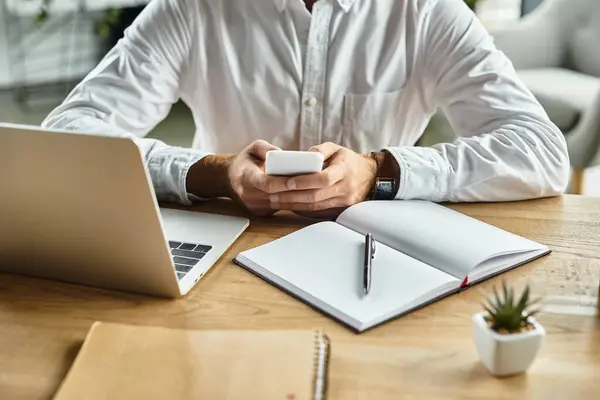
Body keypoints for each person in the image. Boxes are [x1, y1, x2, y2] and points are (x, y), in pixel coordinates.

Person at [42, 0, 570, 217]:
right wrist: (212, 173)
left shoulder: (425, 10)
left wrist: (380, 171)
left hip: (376, 251)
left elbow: (541, 151)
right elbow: (66, 136)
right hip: (224, 251)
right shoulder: (193, 7)